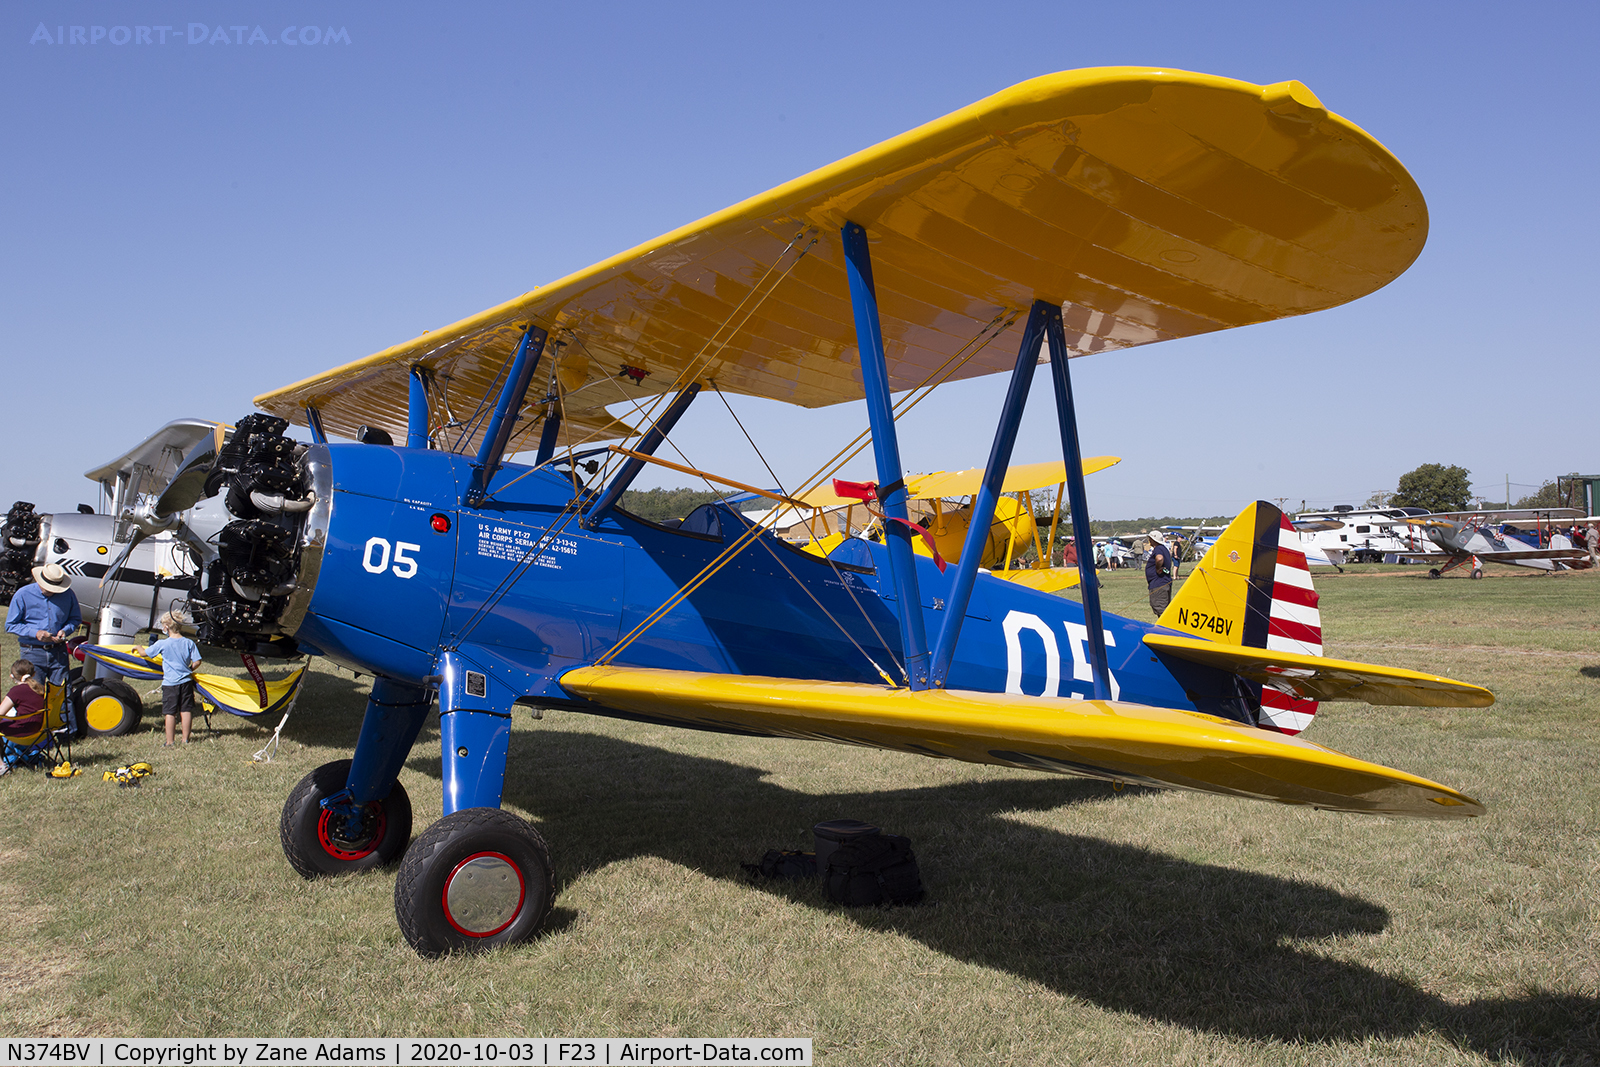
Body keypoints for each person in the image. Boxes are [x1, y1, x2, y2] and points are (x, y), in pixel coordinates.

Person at [4, 562, 81, 686]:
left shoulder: (68, 595)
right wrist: (36, 633)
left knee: (63, 695)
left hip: (58, 652)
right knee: (33, 694)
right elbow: (10, 625)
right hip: (32, 652)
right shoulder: (23, 594)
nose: (52, 591)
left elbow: (75, 619)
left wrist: (65, 631)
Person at [133, 610, 202, 746]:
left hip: (170, 683)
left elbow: (144, 654)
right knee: (185, 710)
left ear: (166, 627)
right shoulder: (189, 643)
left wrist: (138, 647)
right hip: (186, 682)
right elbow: (197, 661)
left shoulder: (162, 644)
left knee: (170, 713)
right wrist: (189, 669)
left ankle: (170, 742)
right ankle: (185, 739)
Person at [0, 659, 47, 743]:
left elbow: (0, 713)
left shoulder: (16, 691)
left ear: (12, 676)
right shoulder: (43, 689)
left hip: (23, 732)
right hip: (42, 731)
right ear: (34, 674)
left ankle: (6, 754)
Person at [1145, 529, 1175, 617]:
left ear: (1153, 540)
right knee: (1161, 607)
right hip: (1163, 582)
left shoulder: (1158, 549)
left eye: (1150, 539)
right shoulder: (1164, 549)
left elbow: (1159, 558)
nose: (1149, 541)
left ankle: (1164, 630)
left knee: (1160, 608)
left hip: (1159, 584)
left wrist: (1158, 569)